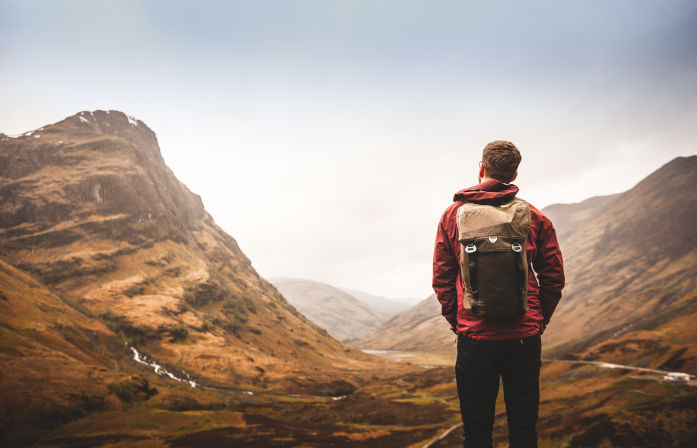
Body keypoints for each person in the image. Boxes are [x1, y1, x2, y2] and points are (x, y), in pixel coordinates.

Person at [432, 140, 565, 448]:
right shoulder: (534, 217)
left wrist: (460, 322)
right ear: (515, 174)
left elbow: (442, 278)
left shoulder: (452, 215)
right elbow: (554, 278)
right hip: (524, 337)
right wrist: (538, 320)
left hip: (474, 338)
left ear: (481, 169)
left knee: (476, 433)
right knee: (523, 430)